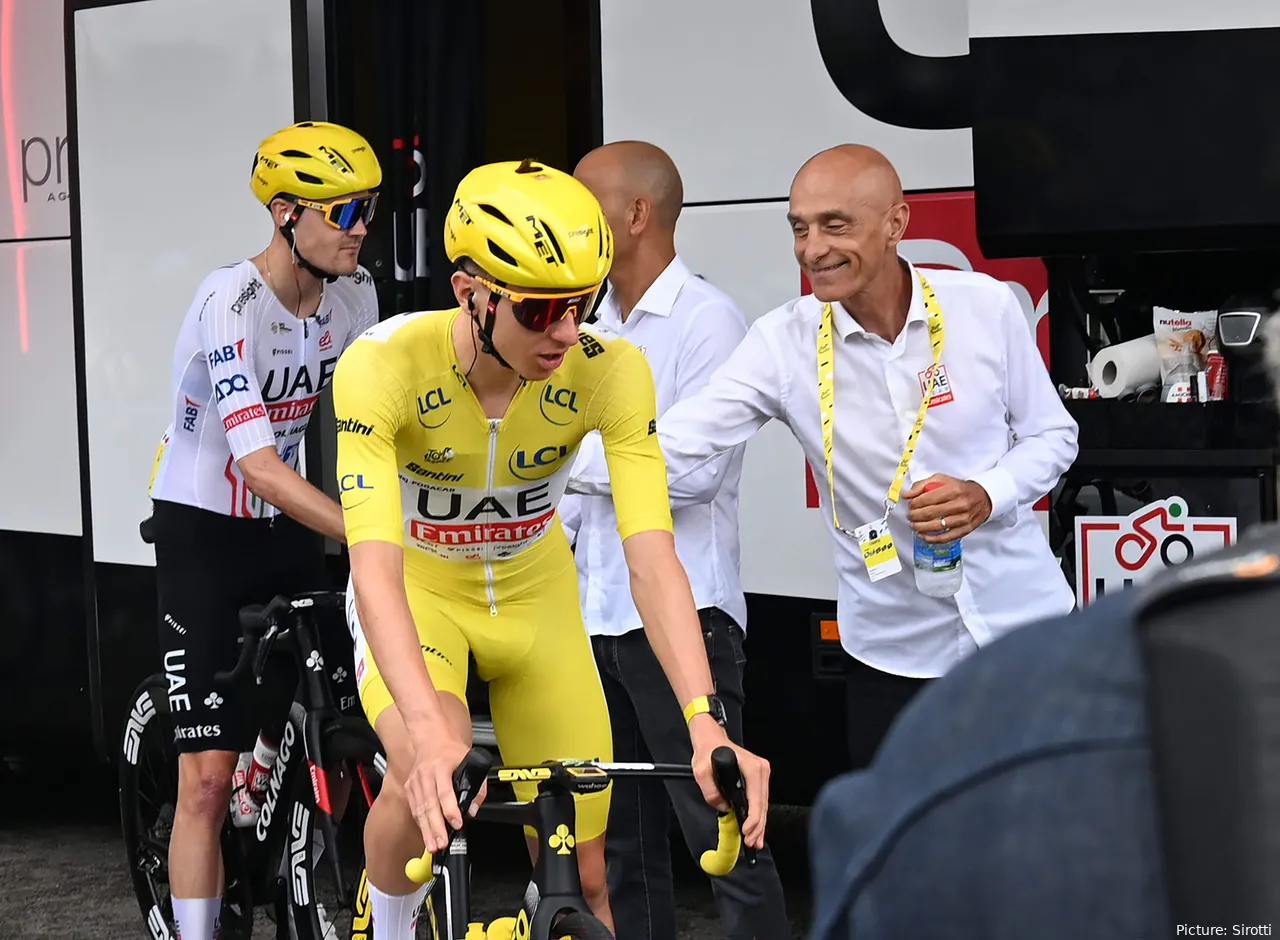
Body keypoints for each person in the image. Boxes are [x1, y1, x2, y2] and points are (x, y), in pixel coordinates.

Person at [331, 157, 772, 939]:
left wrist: (707, 722)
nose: (569, 334)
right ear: (472, 291)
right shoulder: (383, 364)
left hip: (539, 603)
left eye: (585, 303)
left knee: (589, 877)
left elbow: (652, 556)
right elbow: (375, 568)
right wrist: (430, 738)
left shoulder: (611, 371)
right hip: (424, 597)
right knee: (422, 773)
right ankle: (387, 915)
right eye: (542, 312)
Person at [570, 143, 1078, 770]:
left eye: (836, 225)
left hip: (1024, 630)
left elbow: (1054, 438)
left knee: (1050, 848)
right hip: (892, 655)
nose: (813, 248)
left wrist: (986, 494)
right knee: (905, 860)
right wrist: (540, 466)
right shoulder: (783, 342)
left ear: (897, 224)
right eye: (799, 227)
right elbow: (672, 447)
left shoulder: (986, 307)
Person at [146, 120, 382, 940]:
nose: (360, 229)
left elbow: (366, 432)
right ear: (286, 213)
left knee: (341, 735)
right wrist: (368, 529)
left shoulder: (356, 298)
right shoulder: (229, 300)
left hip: (286, 528)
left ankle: (291, 839)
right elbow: (256, 465)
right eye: (344, 212)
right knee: (205, 783)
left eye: (369, 210)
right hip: (204, 531)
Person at [556, 140, 790, 940]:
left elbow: (687, 473)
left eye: (585, 204)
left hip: (685, 621)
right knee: (623, 849)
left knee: (724, 836)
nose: (567, 221)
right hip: (599, 618)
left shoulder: (706, 320)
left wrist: (561, 461)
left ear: (636, 214)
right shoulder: (591, 324)